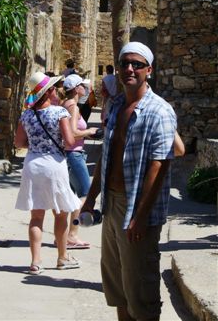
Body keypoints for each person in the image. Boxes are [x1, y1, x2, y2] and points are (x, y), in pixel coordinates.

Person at [81, 41, 182, 321]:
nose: (129, 69)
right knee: (118, 290)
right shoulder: (116, 105)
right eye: (124, 63)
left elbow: (159, 166)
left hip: (138, 209)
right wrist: (91, 199)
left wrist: (140, 215)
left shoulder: (159, 111)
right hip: (111, 205)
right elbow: (107, 155)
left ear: (148, 70)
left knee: (141, 294)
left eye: (136, 64)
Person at [14, 72, 82, 274]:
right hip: (55, 164)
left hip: (33, 163)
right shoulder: (59, 113)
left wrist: (34, 143)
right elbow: (70, 142)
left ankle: (35, 262)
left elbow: (19, 143)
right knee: (61, 214)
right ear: (49, 91)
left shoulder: (26, 114)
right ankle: (62, 257)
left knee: (36, 217)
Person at [61, 74, 98, 248]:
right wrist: (90, 131)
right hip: (74, 155)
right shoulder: (73, 108)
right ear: (76, 89)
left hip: (68, 155)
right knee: (84, 195)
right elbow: (73, 133)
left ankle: (64, 235)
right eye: (82, 85)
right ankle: (73, 234)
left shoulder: (64, 105)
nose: (85, 88)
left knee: (71, 197)